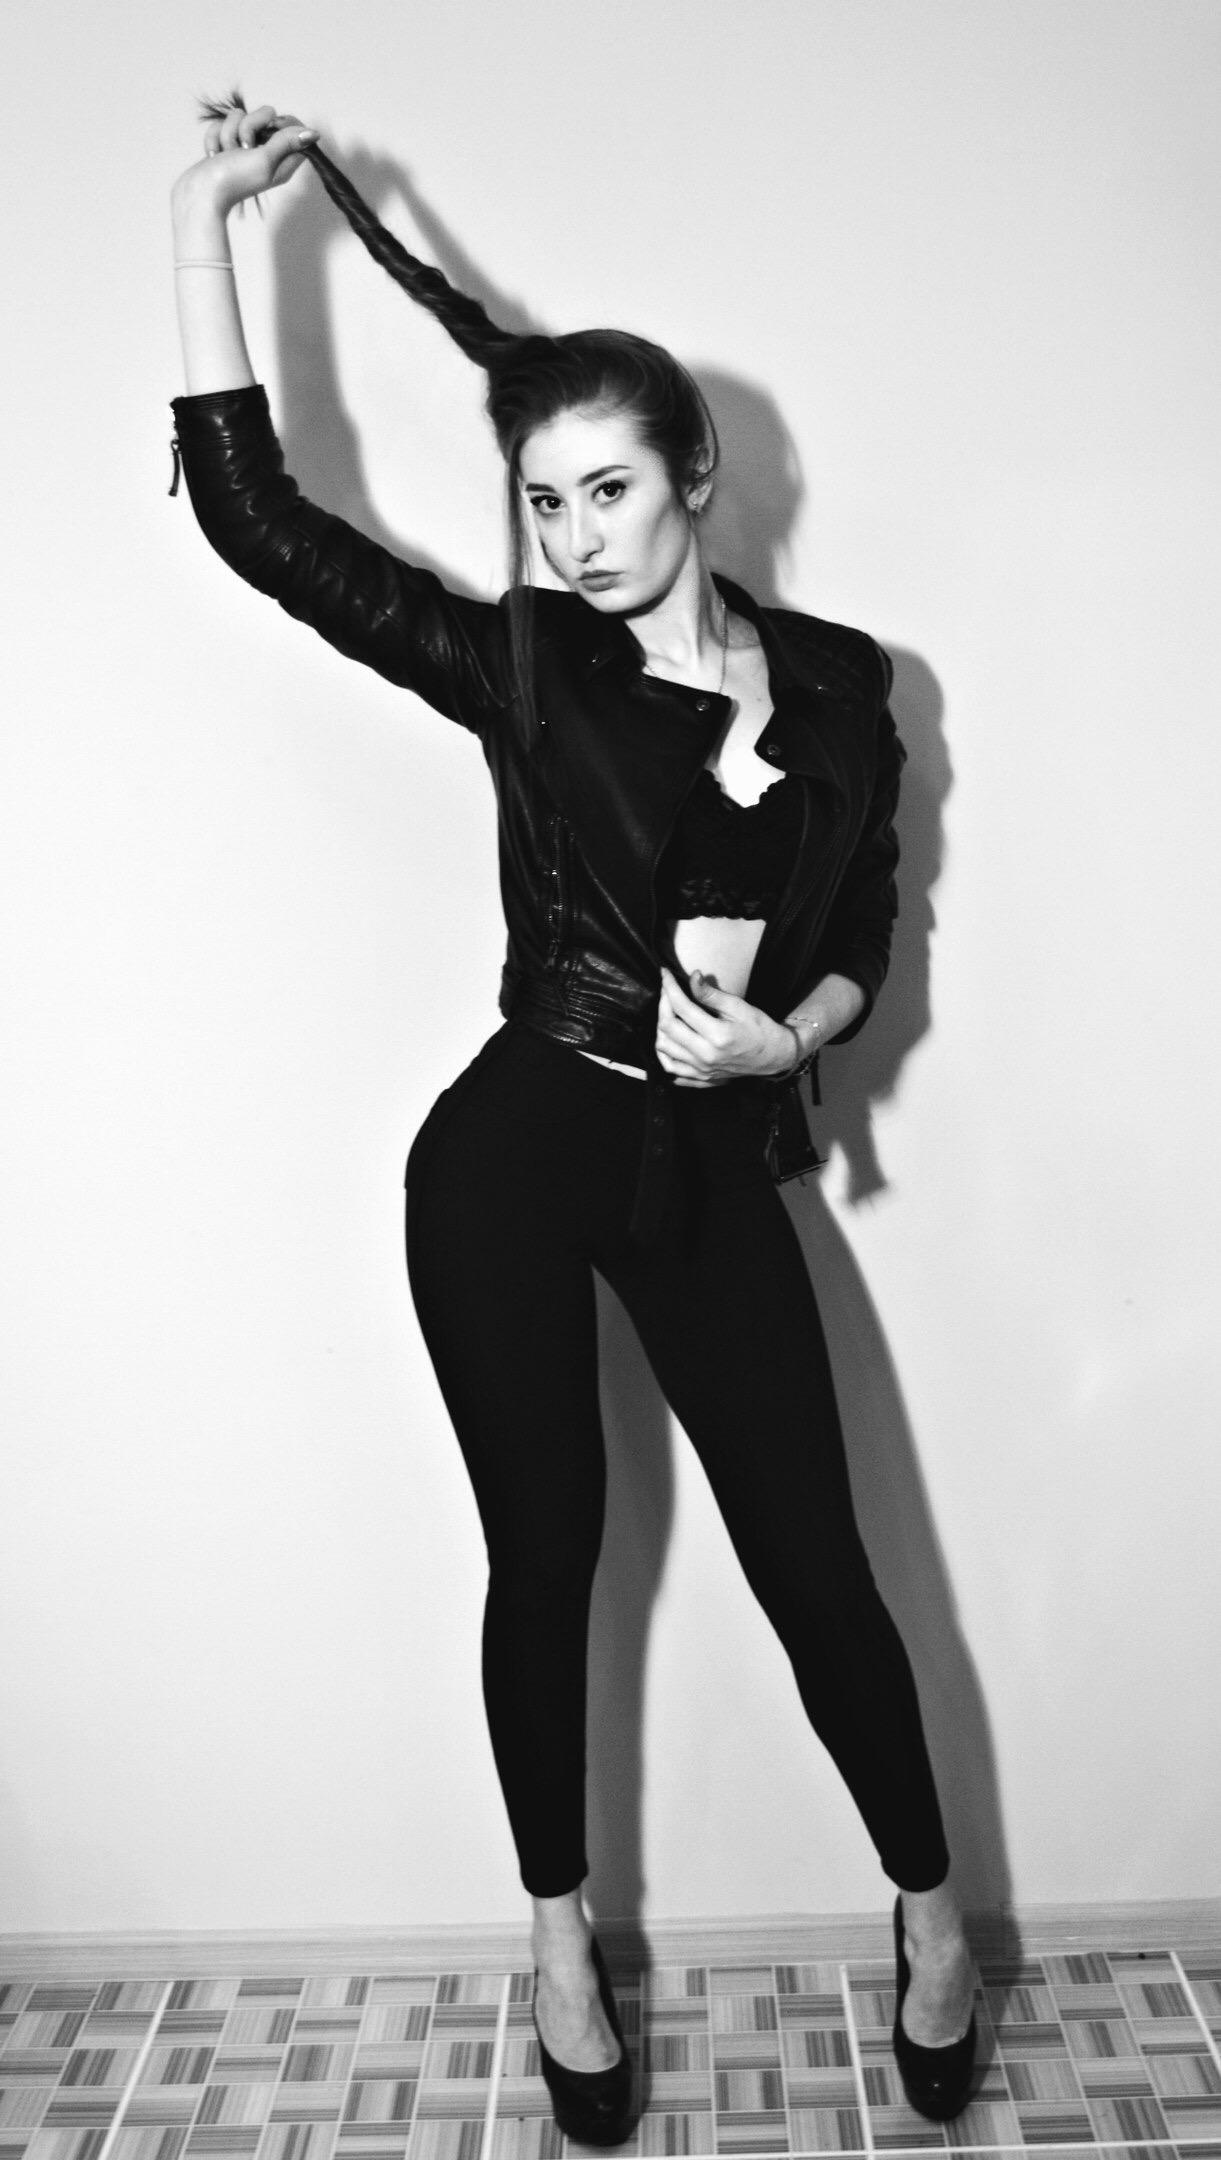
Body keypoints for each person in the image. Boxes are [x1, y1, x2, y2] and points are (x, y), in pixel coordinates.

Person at [169, 96, 979, 2138]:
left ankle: (928, 1911)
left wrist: (787, 1042)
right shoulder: (528, 670)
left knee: (816, 1569)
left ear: (693, 473)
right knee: (547, 1560)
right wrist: (204, 235)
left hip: (707, 1165)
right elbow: (269, 532)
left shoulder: (844, 683)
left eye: (608, 489)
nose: (575, 537)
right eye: (543, 504)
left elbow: (864, 924)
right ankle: (556, 1942)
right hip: (514, 1157)